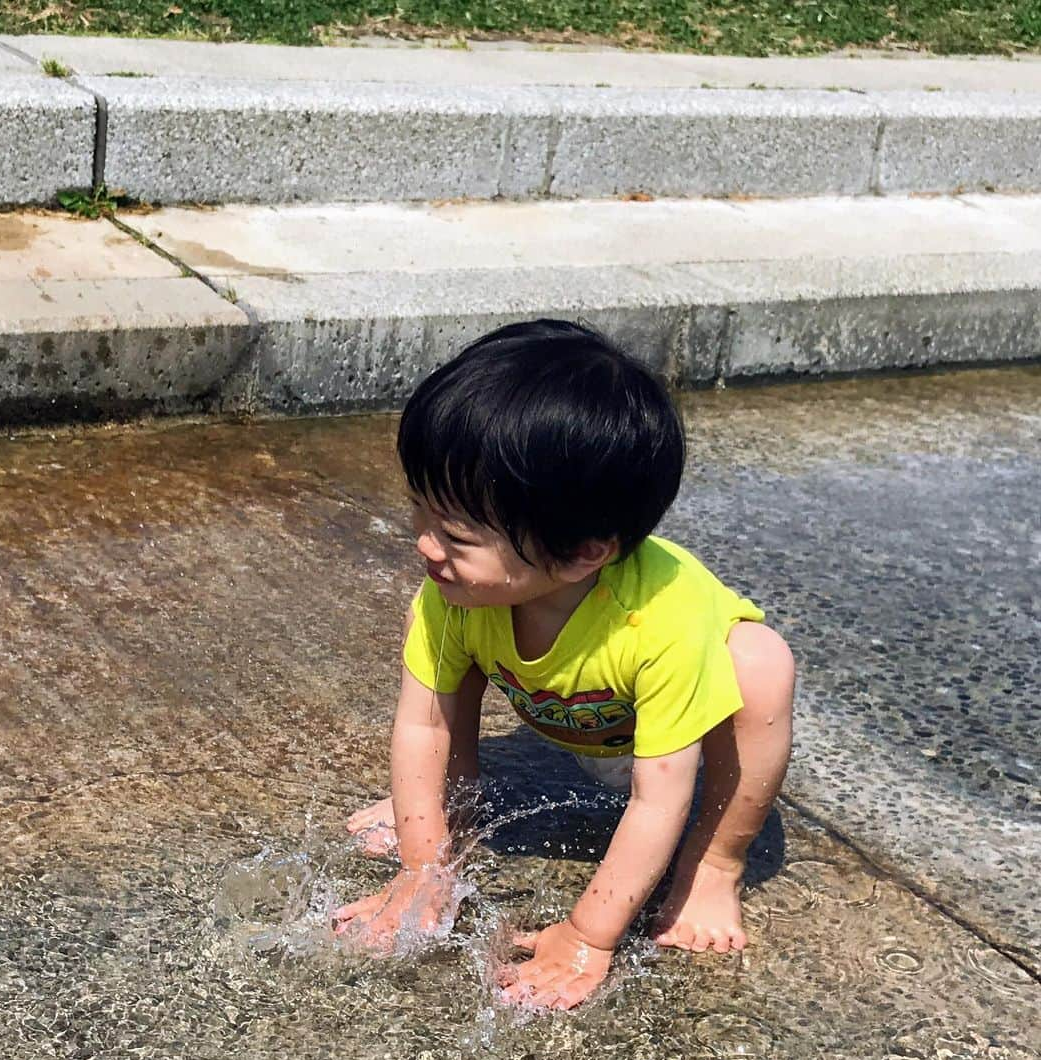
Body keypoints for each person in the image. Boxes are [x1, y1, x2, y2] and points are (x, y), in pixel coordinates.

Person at [333, 319, 795, 1010]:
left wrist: (589, 934)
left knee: (762, 663)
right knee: (445, 666)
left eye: (456, 533)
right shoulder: (454, 593)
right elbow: (424, 727)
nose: (426, 545)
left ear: (584, 553)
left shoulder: (660, 626)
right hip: (575, 712)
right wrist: (422, 866)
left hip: (665, 738)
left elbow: (656, 798)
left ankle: (715, 865)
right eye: (417, 510)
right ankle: (446, 823)